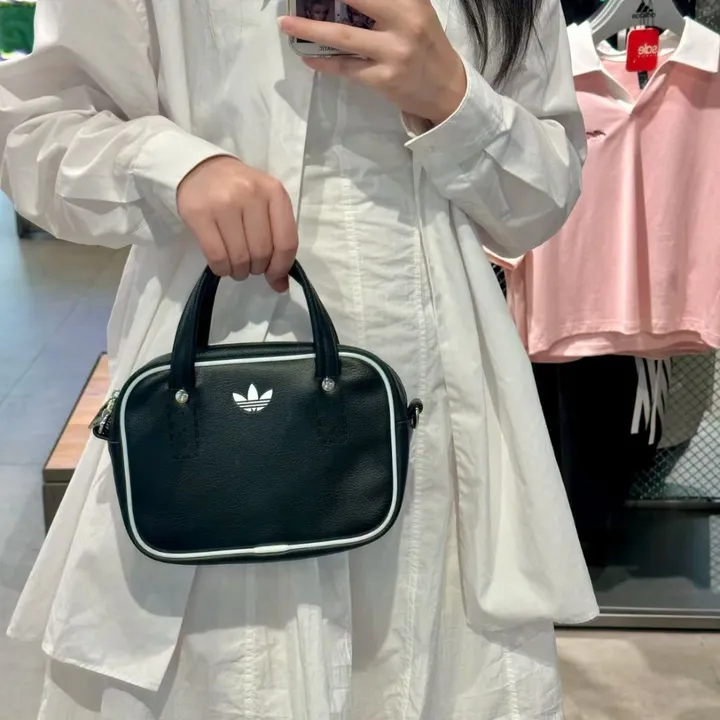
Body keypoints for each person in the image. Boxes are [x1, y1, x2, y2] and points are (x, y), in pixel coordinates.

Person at [0, 0, 598, 717]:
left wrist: (451, 97)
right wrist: (176, 168)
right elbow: (34, 128)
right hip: (211, 394)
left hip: (440, 417)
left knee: (420, 662)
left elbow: (539, 203)